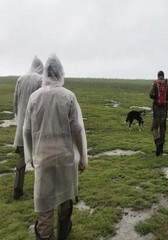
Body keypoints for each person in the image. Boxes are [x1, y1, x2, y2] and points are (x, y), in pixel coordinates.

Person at [23, 54, 88, 240]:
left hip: (43, 158)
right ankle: (63, 233)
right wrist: (82, 157)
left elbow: (27, 131)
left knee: (44, 207)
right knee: (65, 199)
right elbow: (77, 130)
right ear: (60, 73)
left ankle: (46, 235)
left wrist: (31, 157)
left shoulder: (34, 98)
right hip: (66, 158)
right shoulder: (69, 97)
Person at [13, 56, 43, 199]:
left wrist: (19, 120)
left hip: (21, 126)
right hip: (35, 126)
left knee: (21, 158)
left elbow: (16, 103)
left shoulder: (20, 79)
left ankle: (17, 189)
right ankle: (40, 189)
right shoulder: (40, 80)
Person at [149, 70, 168, 156]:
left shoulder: (155, 83)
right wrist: (166, 99)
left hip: (156, 108)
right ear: (163, 76)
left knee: (154, 127)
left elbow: (150, 94)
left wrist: (156, 98)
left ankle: (157, 142)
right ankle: (161, 150)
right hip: (164, 108)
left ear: (158, 76)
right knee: (163, 128)